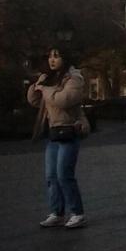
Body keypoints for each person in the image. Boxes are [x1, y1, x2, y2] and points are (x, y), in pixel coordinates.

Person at [27, 47, 89, 229]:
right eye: (50, 57)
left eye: (57, 56)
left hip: (69, 130)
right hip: (52, 131)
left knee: (64, 174)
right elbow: (37, 101)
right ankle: (57, 212)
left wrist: (46, 90)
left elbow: (64, 99)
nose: (52, 60)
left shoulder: (74, 78)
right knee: (51, 176)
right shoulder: (49, 77)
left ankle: (77, 213)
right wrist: (35, 87)